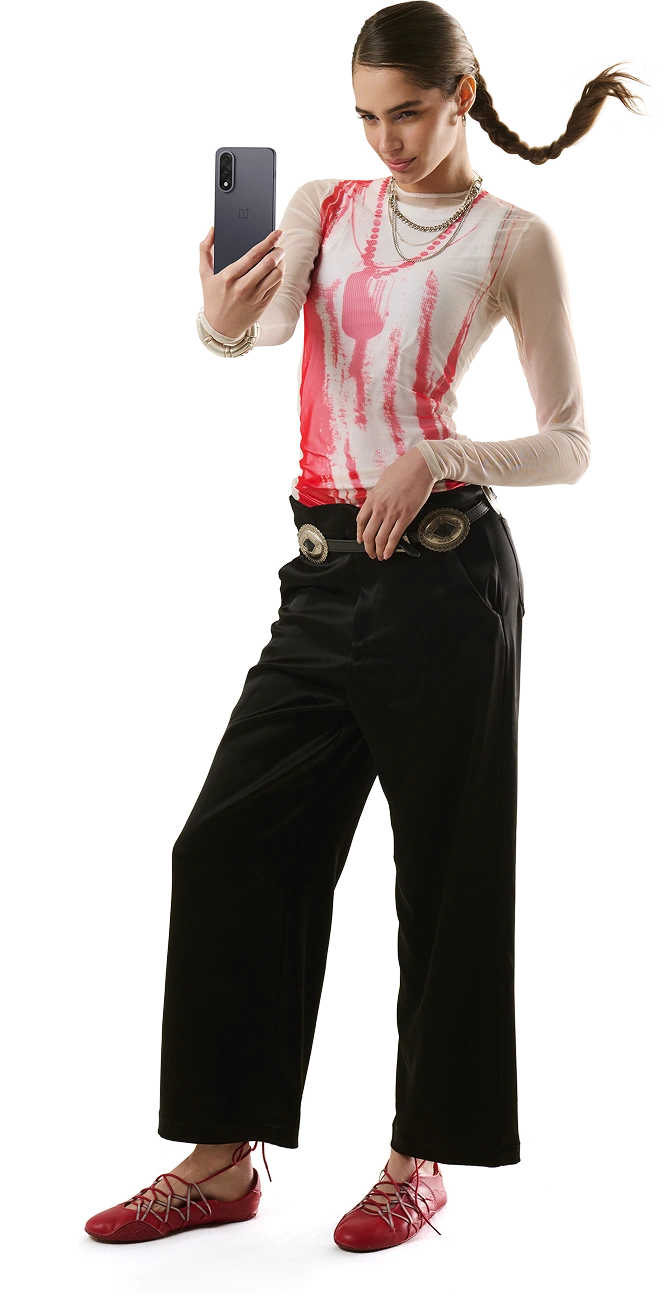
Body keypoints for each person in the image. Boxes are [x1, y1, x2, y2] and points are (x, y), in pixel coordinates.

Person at [86, 0, 649, 1253]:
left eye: (409, 113)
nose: (386, 139)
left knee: (449, 872)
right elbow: (249, 339)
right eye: (366, 116)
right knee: (223, 845)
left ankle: (419, 1160)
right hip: (319, 573)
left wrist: (445, 454)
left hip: (444, 575)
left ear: (462, 99)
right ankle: (220, 1160)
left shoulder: (515, 239)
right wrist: (213, 310)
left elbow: (570, 446)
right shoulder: (322, 207)